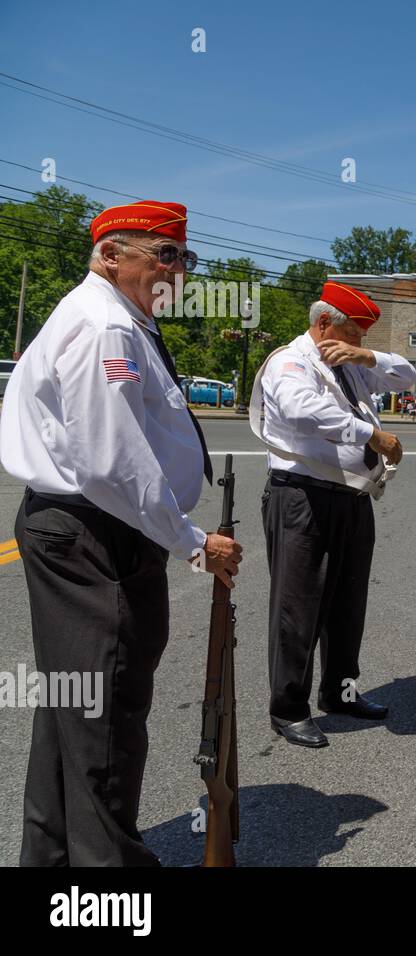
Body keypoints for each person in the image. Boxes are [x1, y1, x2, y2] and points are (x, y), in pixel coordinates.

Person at [0, 201, 243, 865]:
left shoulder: (120, 318)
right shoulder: (107, 323)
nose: (178, 273)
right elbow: (111, 460)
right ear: (110, 256)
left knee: (71, 713)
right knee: (105, 713)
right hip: (97, 533)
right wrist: (192, 541)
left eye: (183, 259)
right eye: (163, 256)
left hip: (90, 528)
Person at [253, 280, 415, 748]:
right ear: (325, 324)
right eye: (356, 334)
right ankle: (288, 708)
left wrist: (367, 359)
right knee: (298, 607)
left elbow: (405, 376)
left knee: (348, 605)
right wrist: (372, 436)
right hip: (303, 496)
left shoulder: (351, 364)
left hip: (352, 497)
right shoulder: (290, 361)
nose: (361, 343)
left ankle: (340, 692)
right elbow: (304, 413)